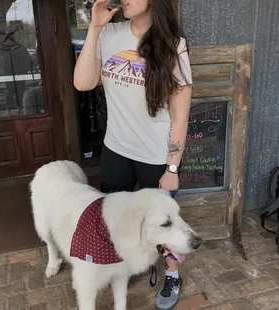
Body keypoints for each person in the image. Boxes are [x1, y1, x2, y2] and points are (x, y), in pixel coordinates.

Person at [73, 0, 192, 309]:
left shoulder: (172, 44)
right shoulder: (110, 34)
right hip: (116, 149)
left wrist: (172, 167)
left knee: (162, 221)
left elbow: (180, 116)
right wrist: (95, 27)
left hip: (155, 156)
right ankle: (120, 267)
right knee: (115, 218)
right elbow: (83, 82)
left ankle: (173, 274)